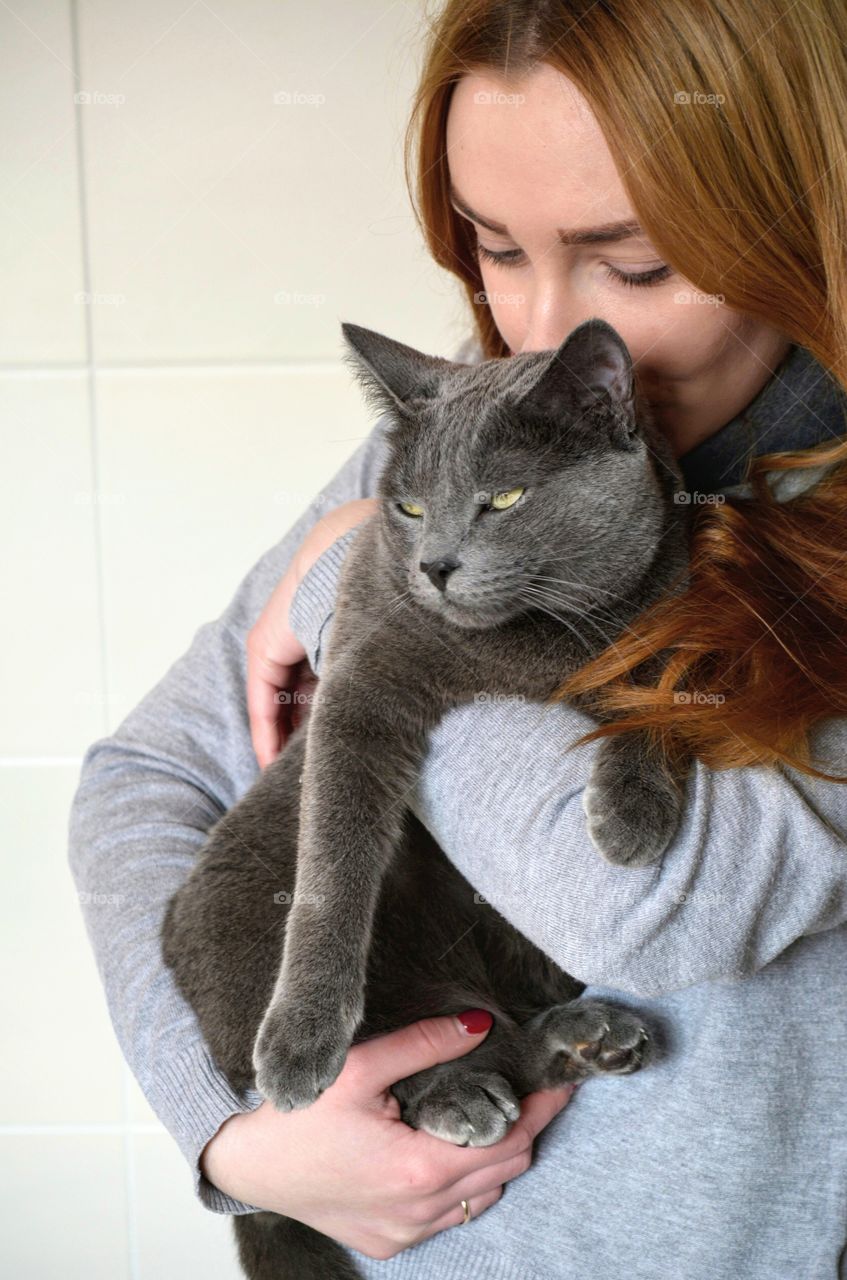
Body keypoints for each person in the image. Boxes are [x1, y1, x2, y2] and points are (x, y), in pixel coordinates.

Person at [68, 2, 847, 1276]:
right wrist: (231, 1134)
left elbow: (657, 906)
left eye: (633, 264)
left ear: (795, 211)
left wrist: (340, 582)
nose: (541, 331)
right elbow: (147, 774)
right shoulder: (459, 436)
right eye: (494, 247)